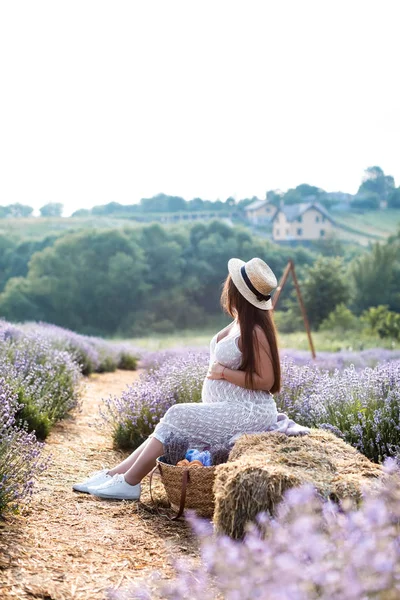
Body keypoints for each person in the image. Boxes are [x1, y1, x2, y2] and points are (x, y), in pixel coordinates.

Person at [73, 257, 283, 500]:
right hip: (230, 408)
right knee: (168, 428)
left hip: (250, 411)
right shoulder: (239, 323)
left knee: (176, 414)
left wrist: (224, 373)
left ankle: (130, 483)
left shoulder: (255, 330)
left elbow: (267, 381)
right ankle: (114, 475)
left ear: (235, 290)